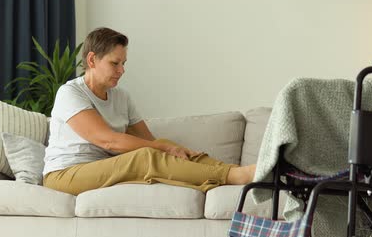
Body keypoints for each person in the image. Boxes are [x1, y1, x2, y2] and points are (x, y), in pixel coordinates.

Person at [42, 27, 255, 196]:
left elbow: (151, 141)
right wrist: (158, 147)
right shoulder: (70, 93)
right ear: (91, 60)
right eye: (115, 63)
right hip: (64, 175)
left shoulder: (121, 97)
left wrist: (170, 149)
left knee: (169, 146)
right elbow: (108, 141)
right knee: (146, 155)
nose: (122, 70)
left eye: (123, 63)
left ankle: (236, 170)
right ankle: (233, 176)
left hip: (102, 167)